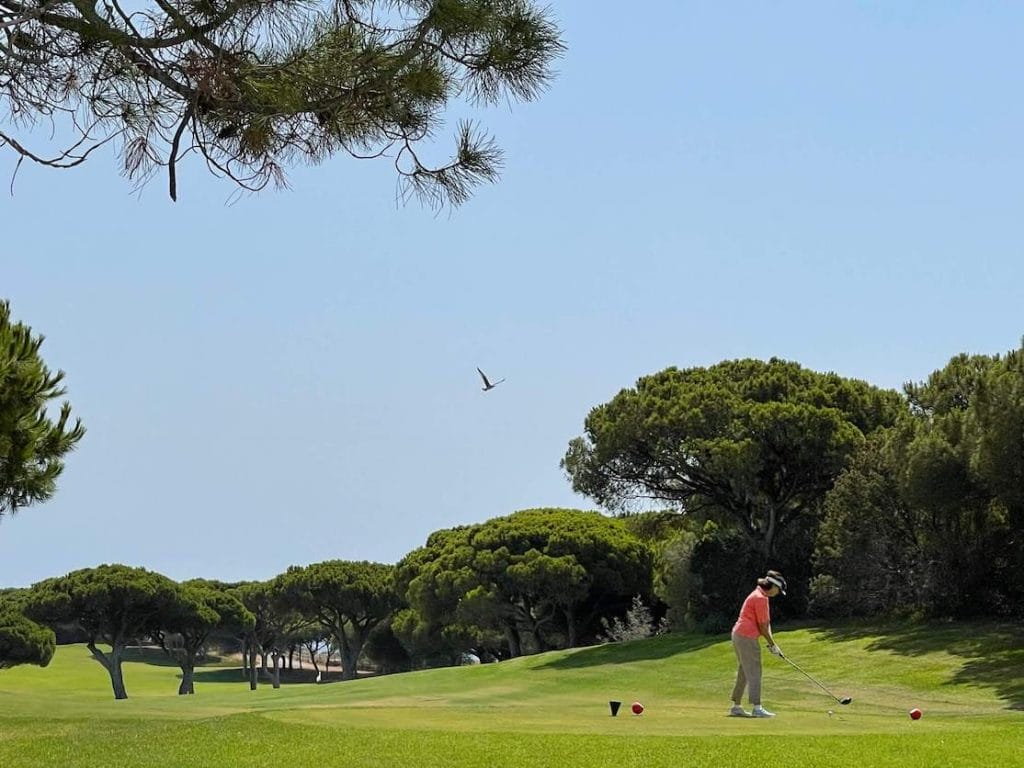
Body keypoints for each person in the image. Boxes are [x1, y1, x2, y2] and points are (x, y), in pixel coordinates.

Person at [728, 570, 787, 718]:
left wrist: (773, 644)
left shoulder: (759, 594)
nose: (778, 593)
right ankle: (757, 707)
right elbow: (762, 627)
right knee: (754, 670)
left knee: (745, 670)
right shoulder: (761, 598)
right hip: (746, 636)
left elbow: (766, 625)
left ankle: (736, 706)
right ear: (773, 586)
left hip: (738, 634)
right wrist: (772, 645)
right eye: (778, 590)